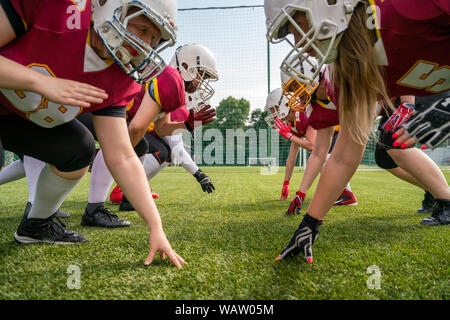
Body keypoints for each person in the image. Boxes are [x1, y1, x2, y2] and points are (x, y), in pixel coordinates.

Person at [0, 0, 186, 267]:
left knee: (78, 149)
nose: (146, 43)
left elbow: (121, 155)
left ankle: (35, 224)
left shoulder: (120, 77)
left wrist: (156, 226)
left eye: (155, 38)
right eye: (143, 28)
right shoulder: (54, 7)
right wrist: (39, 82)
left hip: (19, 118)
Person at [265, 0, 450, 263]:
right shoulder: (349, 69)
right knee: (387, 149)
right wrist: (310, 224)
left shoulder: (403, 11)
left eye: (296, 26)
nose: (299, 43)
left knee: (394, 142)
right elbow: (343, 156)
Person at [87, 43, 217, 213]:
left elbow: (162, 128)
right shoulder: (172, 81)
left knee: (141, 146)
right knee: (132, 145)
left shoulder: (170, 80)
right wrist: (198, 174)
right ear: (186, 66)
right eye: (202, 75)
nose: (201, 82)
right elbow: (167, 143)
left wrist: (185, 125)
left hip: (110, 112)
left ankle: (126, 194)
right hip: (98, 108)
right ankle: (99, 205)